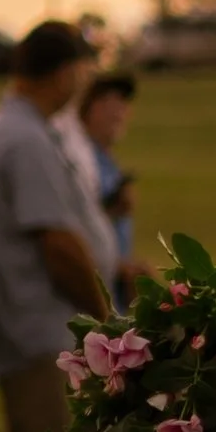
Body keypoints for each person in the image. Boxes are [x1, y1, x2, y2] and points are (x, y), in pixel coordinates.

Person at [0, 18, 113, 432]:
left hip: (29, 330)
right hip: (41, 332)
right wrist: (103, 319)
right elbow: (57, 244)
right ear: (65, 73)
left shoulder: (18, 127)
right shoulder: (24, 139)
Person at [76, 71, 140, 301]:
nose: (119, 111)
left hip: (112, 291)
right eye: (107, 102)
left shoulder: (107, 161)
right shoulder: (80, 160)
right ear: (87, 108)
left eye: (123, 103)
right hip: (92, 295)